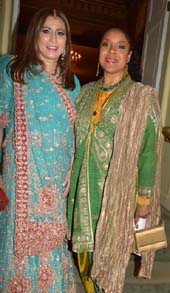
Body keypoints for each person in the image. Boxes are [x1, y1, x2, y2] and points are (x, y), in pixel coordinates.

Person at [67, 28, 162, 293]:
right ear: (99, 52)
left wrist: (144, 201)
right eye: (106, 45)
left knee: (108, 264)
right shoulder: (84, 94)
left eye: (120, 47)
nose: (112, 51)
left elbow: (148, 152)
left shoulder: (140, 97)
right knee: (84, 258)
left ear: (129, 55)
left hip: (118, 196)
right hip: (82, 190)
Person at [0, 8, 81, 292]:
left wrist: (70, 168)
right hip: (21, 177)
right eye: (46, 30)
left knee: (52, 240)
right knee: (16, 236)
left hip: (55, 178)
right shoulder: (12, 70)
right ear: (35, 34)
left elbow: (73, 133)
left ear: (66, 43)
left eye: (60, 33)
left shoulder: (72, 85)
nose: (53, 39)